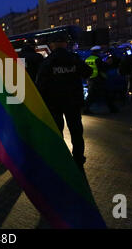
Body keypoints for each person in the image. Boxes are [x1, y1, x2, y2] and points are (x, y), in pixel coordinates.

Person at [36, 33, 93, 170]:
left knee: (57, 131)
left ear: (52, 45)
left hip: (54, 103)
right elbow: (88, 72)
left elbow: (40, 85)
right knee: (76, 131)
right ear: (65, 44)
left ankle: (60, 158)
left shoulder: (48, 61)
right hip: (73, 102)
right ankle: (78, 158)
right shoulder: (74, 59)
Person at [83, 46, 118, 114]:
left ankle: (86, 109)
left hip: (90, 79)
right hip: (97, 79)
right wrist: (108, 63)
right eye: (99, 51)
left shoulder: (87, 59)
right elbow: (103, 68)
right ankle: (112, 108)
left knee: (92, 95)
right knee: (105, 94)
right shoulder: (97, 59)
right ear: (97, 52)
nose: (100, 52)